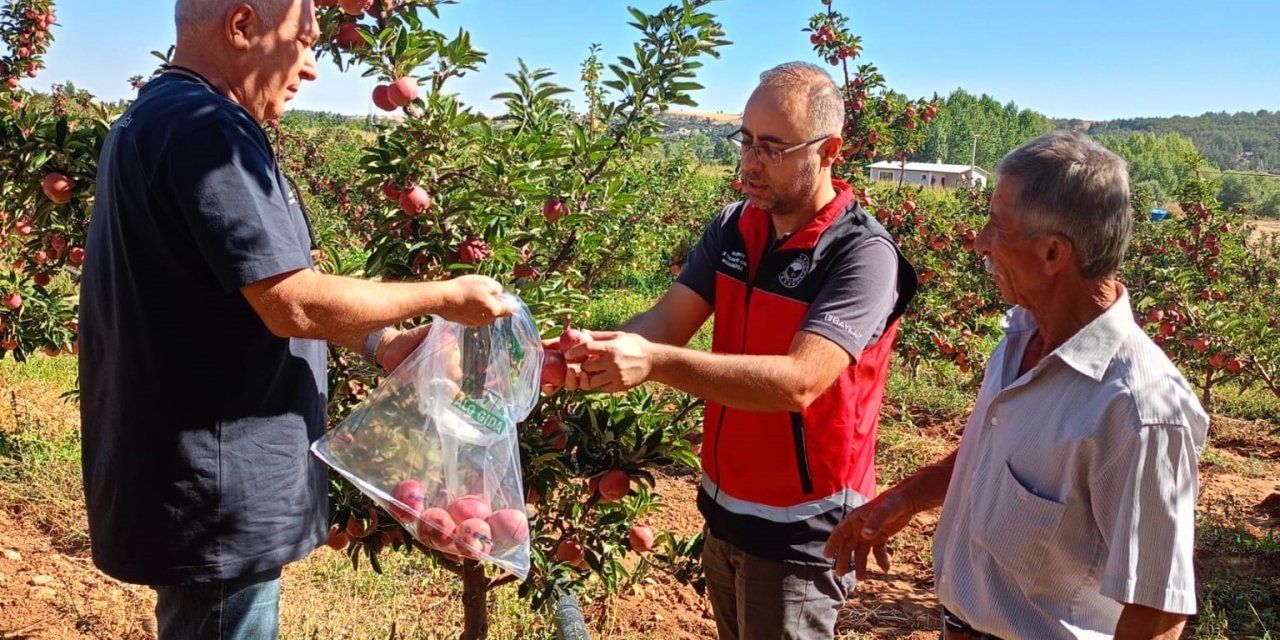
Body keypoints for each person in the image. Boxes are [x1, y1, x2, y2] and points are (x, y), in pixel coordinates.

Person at [78, 1, 512, 638]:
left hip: (195, 471)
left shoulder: (160, 117)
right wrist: (444, 295)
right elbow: (293, 302)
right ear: (242, 25)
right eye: (305, 43)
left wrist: (383, 342)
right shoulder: (206, 129)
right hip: (217, 482)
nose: (311, 68)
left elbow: (238, 292)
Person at [554, 62, 917, 639]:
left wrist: (655, 364)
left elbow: (799, 381)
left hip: (802, 527)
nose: (750, 161)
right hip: (725, 510)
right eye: (746, 141)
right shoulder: (735, 227)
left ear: (829, 151)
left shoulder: (862, 255)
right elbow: (666, 321)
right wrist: (586, 350)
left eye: (772, 148)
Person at [824, 130, 1208, 640]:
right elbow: (993, 459)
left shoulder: (1139, 410)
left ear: (1053, 253)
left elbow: (1157, 613)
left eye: (996, 224)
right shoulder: (1020, 335)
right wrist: (903, 500)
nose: (980, 240)